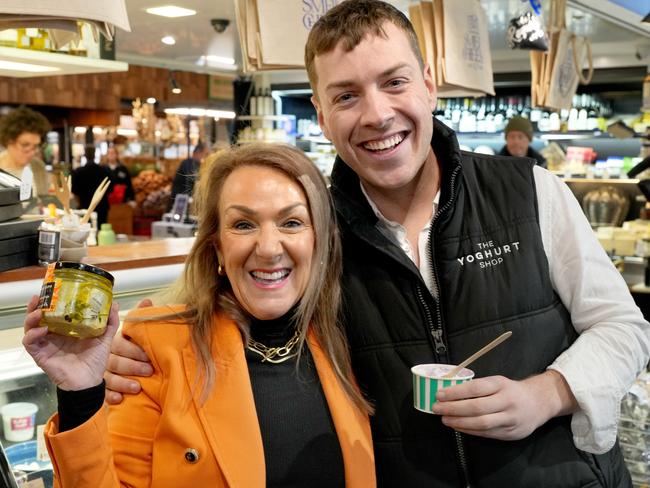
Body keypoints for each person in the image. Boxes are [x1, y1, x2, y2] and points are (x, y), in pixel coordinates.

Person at [105, 1, 650, 487]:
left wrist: (549, 393)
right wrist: (136, 346)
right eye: (346, 95)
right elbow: (244, 314)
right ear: (321, 116)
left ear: (429, 85)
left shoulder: (528, 190)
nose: (376, 114)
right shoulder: (318, 232)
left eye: (394, 82)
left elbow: (625, 328)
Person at [23, 143, 375, 487]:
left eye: (292, 222)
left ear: (321, 240)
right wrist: (81, 395)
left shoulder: (351, 340)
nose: (268, 248)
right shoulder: (157, 348)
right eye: (243, 225)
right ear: (217, 245)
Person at [0, 105, 52, 204]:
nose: (32, 152)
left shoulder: (38, 166)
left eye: (35, 146)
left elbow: (43, 204)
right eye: (25, 145)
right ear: (9, 141)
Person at [71, 145, 111, 227]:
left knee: (85, 230)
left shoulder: (78, 172)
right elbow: (110, 189)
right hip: (102, 207)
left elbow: (74, 191)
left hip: (84, 206)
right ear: (95, 154)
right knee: (101, 231)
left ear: (85, 155)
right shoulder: (105, 171)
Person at [169, 141, 209, 210]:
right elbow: (192, 180)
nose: (206, 157)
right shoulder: (188, 163)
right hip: (181, 201)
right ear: (198, 153)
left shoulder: (195, 164)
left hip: (184, 199)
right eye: (205, 154)